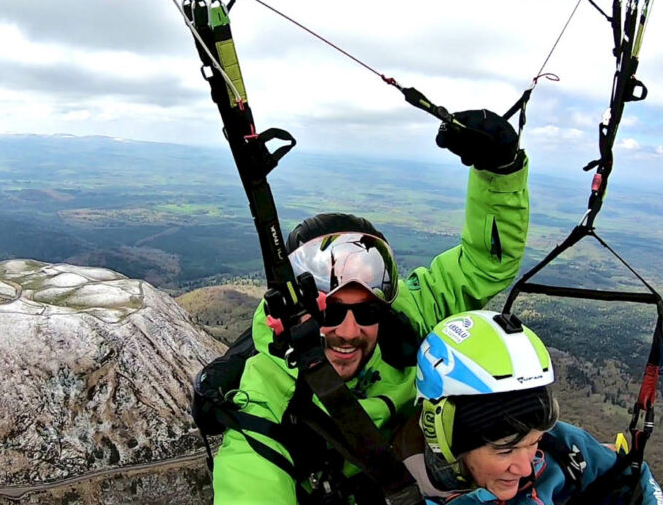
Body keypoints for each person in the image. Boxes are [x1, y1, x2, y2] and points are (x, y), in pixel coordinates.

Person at [211, 110, 532, 504]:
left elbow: (485, 263)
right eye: (329, 312)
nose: (348, 331)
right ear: (296, 313)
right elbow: (250, 481)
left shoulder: (405, 314)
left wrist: (500, 172)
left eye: (366, 312)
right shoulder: (268, 398)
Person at [402, 310, 663, 505]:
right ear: (443, 438)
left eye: (533, 442)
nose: (525, 468)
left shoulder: (562, 446)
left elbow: (634, 476)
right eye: (505, 450)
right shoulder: (399, 493)